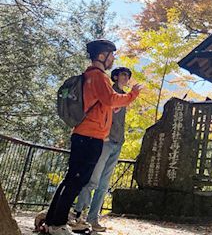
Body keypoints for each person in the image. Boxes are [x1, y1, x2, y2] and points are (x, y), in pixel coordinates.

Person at [45, 40, 143, 235]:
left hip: (86, 134)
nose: (113, 59)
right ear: (102, 56)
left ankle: (52, 221)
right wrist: (132, 95)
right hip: (90, 136)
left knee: (72, 179)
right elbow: (111, 98)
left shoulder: (90, 76)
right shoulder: (98, 77)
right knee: (76, 180)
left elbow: (105, 104)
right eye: (111, 55)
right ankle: (57, 224)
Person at [71, 67, 133, 232]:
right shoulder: (109, 92)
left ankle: (93, 219)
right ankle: (78, 214)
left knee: (103, 184)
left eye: (128, 76)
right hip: (104, 140)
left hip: (117, 142)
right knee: (93, 180)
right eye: (123, 74)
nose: (125, 78)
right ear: (115, 76)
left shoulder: (124, 97)